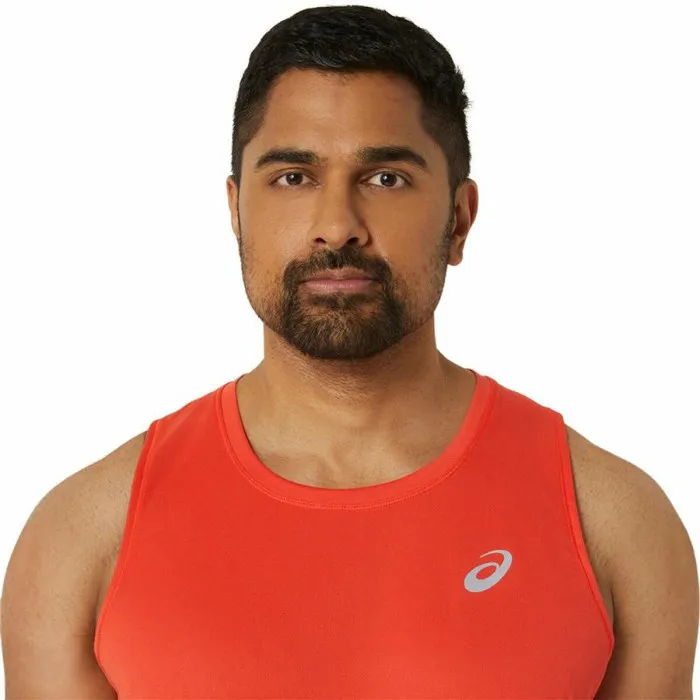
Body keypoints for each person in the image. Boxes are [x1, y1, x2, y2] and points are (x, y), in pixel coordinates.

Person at [2, 4, 698, 698]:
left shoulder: (614, 525)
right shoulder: (82, 541)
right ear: (236, 211)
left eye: (386, 177)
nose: (337, 226)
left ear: (459, 219)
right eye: (293, 177)